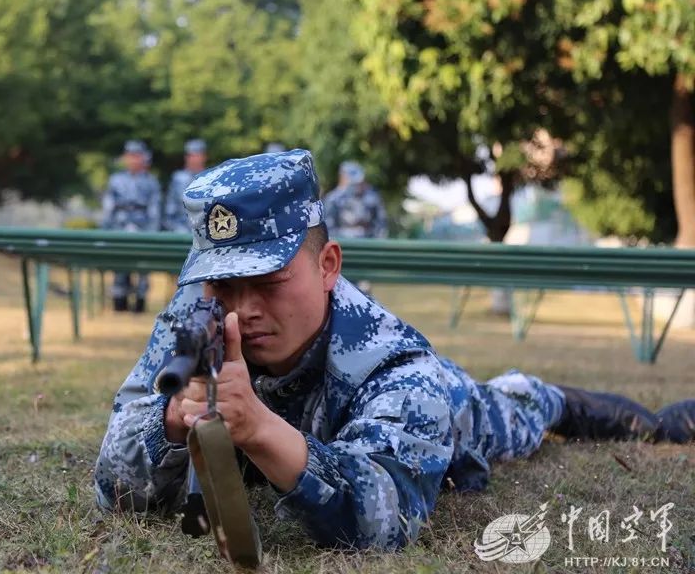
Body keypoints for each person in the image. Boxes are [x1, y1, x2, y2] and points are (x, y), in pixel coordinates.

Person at [94, 149, 694, 549]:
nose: (241, 309)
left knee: (523, 404)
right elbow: (114, 482)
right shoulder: (194, 317)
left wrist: (257, 429)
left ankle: (653, 422)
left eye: (270, 280)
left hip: (459, 412)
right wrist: (174, 421)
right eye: (224, 285)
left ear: (328, 265)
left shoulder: (396, 361)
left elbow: (386, 516)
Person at [101, 139, 162, 313]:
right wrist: (108, 228)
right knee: (120, 263)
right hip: (120, 224)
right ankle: (119, 300)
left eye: (137, 156)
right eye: (130, 156)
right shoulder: (116, 180)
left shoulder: (151, 181)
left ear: (144, 158)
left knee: (143, 264)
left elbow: (154, 208)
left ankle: (140, 300)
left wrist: (152, 231)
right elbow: (109, 205)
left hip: (142, 225)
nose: (133, 160)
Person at [323, 160, 388, 239]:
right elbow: (328, 230)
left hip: (368, 245)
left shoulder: (372, 198)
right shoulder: (333, 200)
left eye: (359, 182)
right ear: (343, 178)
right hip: (343, 245)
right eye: (353, 182)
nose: (357, 185)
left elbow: (381, 225)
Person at [164, 139, 207, 233]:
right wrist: (171, 226)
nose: (194, 159)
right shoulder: (178, 178)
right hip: (180, 226)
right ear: (186, 157)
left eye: (197, 155)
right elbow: (171, 205)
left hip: (204, 227)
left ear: (204, 157)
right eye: (191, 155)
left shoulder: (210, 177)